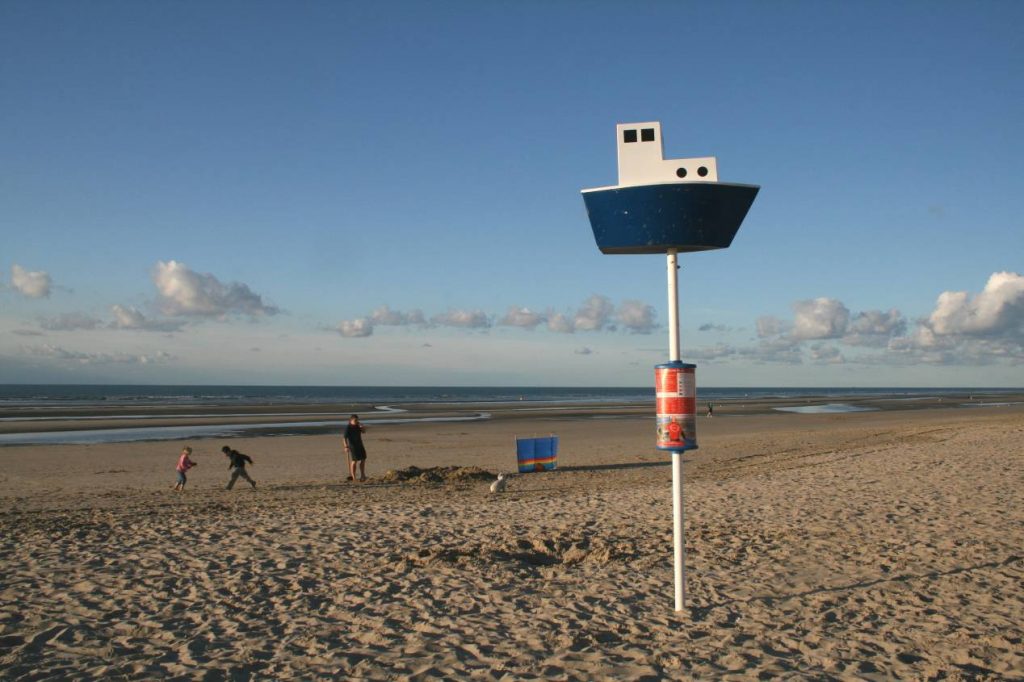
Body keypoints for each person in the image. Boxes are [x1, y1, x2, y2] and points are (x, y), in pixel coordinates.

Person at [343, 414, 368, 482]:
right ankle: (354, 477)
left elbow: (364, 432)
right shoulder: (348, 427)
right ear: (351, 420)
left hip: (360, 444)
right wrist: (346, 446)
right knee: (354, 461)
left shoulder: (358, 426)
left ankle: (363, 475)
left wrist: (362, 426)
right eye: (355, 420)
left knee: (363, 459)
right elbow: (344, 438)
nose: (356, 421)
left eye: (357, 420)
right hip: (353, 446)